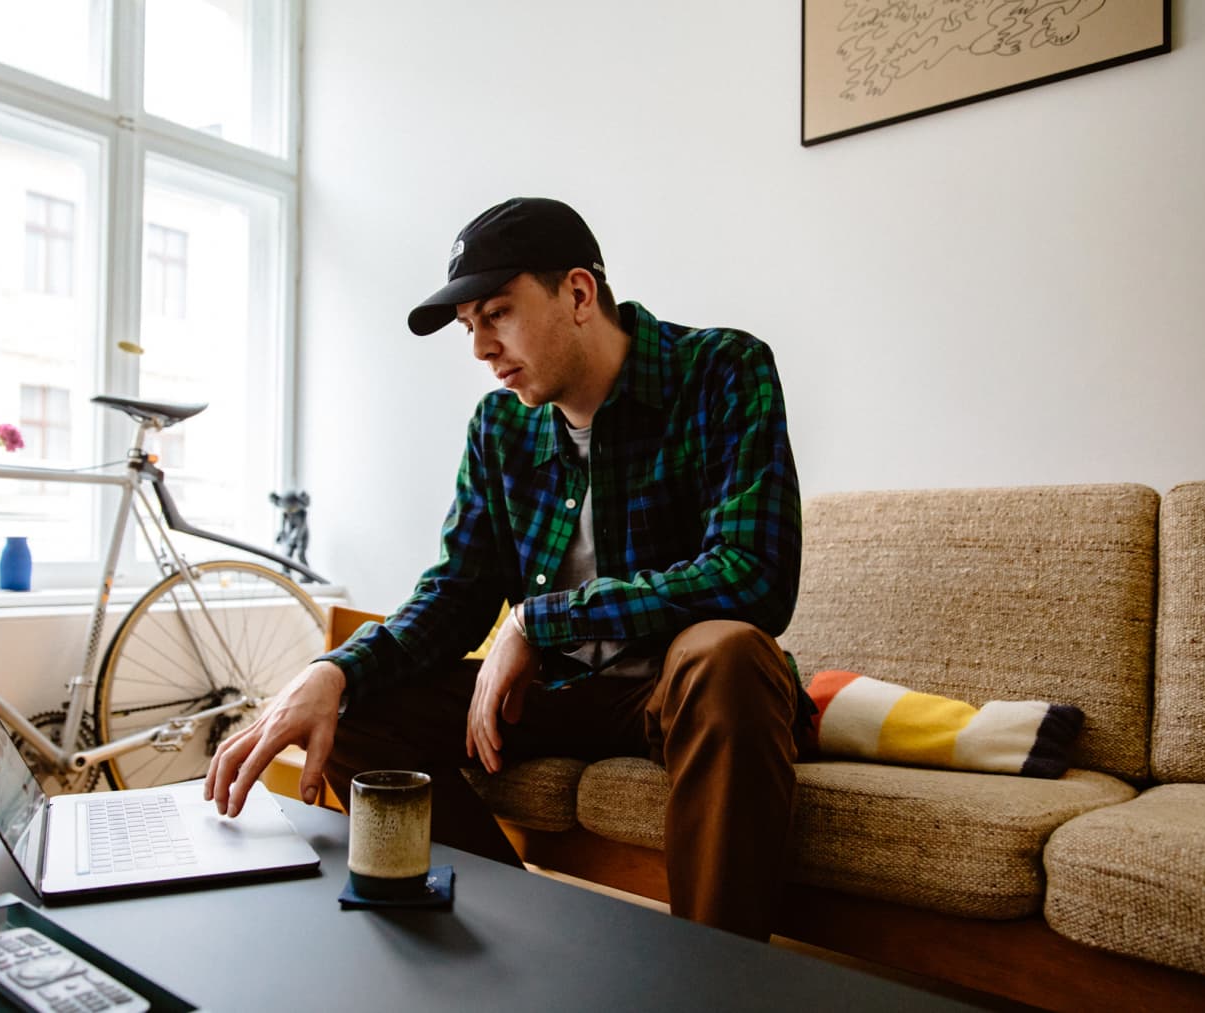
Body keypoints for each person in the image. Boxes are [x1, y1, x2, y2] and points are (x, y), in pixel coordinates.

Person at [206, 197, 806, 941]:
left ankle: (717, 976)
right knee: (354, 707)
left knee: (729, 650)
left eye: (497, 313)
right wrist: (334, 671)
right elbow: (455, 596)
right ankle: (521, 939)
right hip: (552, 695)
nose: (481, 348)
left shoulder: (722, 370)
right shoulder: (499, 427)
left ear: (578, 293)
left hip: (677, 693)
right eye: (470, 326)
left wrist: (536, 619)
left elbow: (753, 576)